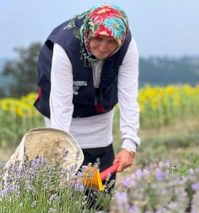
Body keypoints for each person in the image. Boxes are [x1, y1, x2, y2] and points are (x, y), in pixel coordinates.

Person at [34, 4, 140, 191]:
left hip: (98, 108)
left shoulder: (127, 46)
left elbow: (128, 96)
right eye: (98, 39)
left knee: (98, 176)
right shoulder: (64, 47)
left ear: (120, 40)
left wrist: (129, 145)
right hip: (63, 108)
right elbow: (61, 103)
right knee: (66, 173)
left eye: (111, 42)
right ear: (88, 34)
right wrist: (60, 148)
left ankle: (96, 212)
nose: (103, 48)